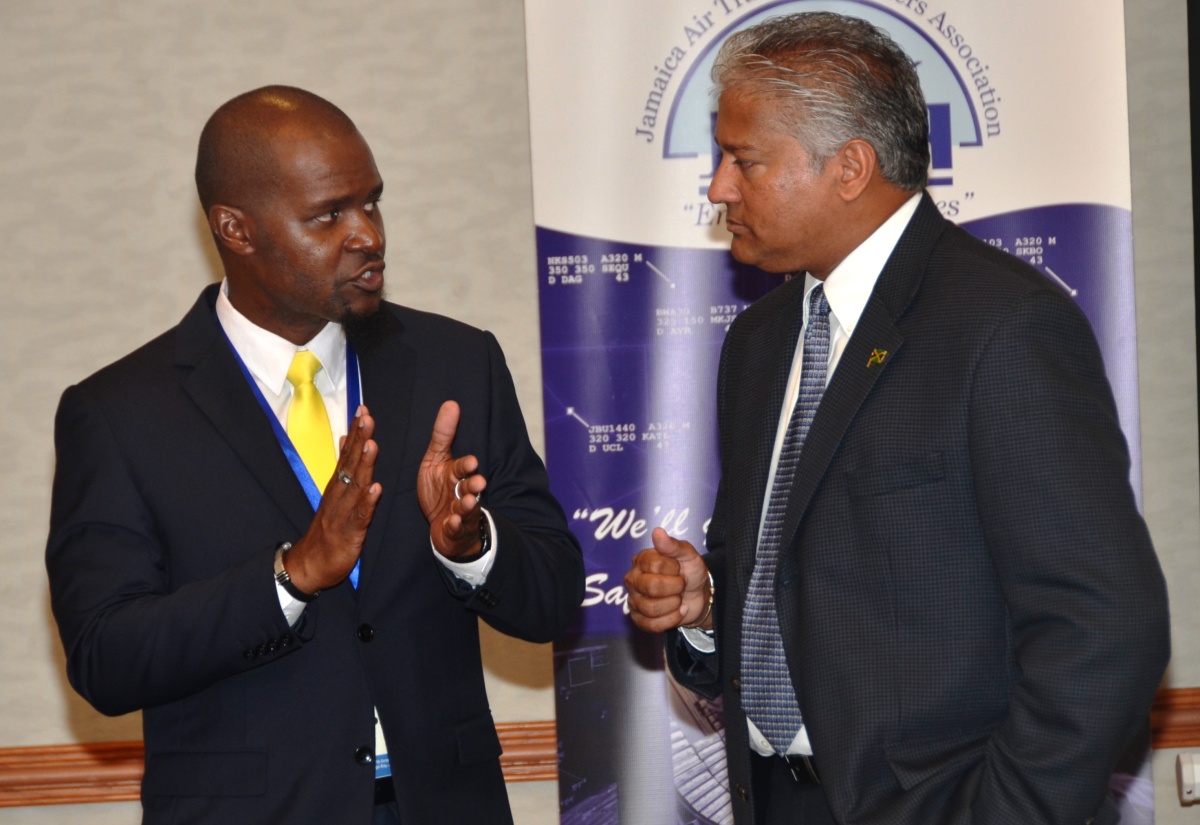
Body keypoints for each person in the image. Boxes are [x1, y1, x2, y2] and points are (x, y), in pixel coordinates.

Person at [624, 12, 1169, 825]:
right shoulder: (760, 341)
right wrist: (707, 614)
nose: (718, 187)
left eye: (744, 159)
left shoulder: (1002, 328)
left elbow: (1105, 627)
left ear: (849, 166)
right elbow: (799, 592)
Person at [46, 85, 583, 825]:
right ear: (235, 228)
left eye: (373, 202)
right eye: (330, 215)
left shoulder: (455, 364)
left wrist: (473, 546)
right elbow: (105, 658)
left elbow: (556, 594)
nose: (368, 235)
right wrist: (290, 576)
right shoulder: (120, 414)